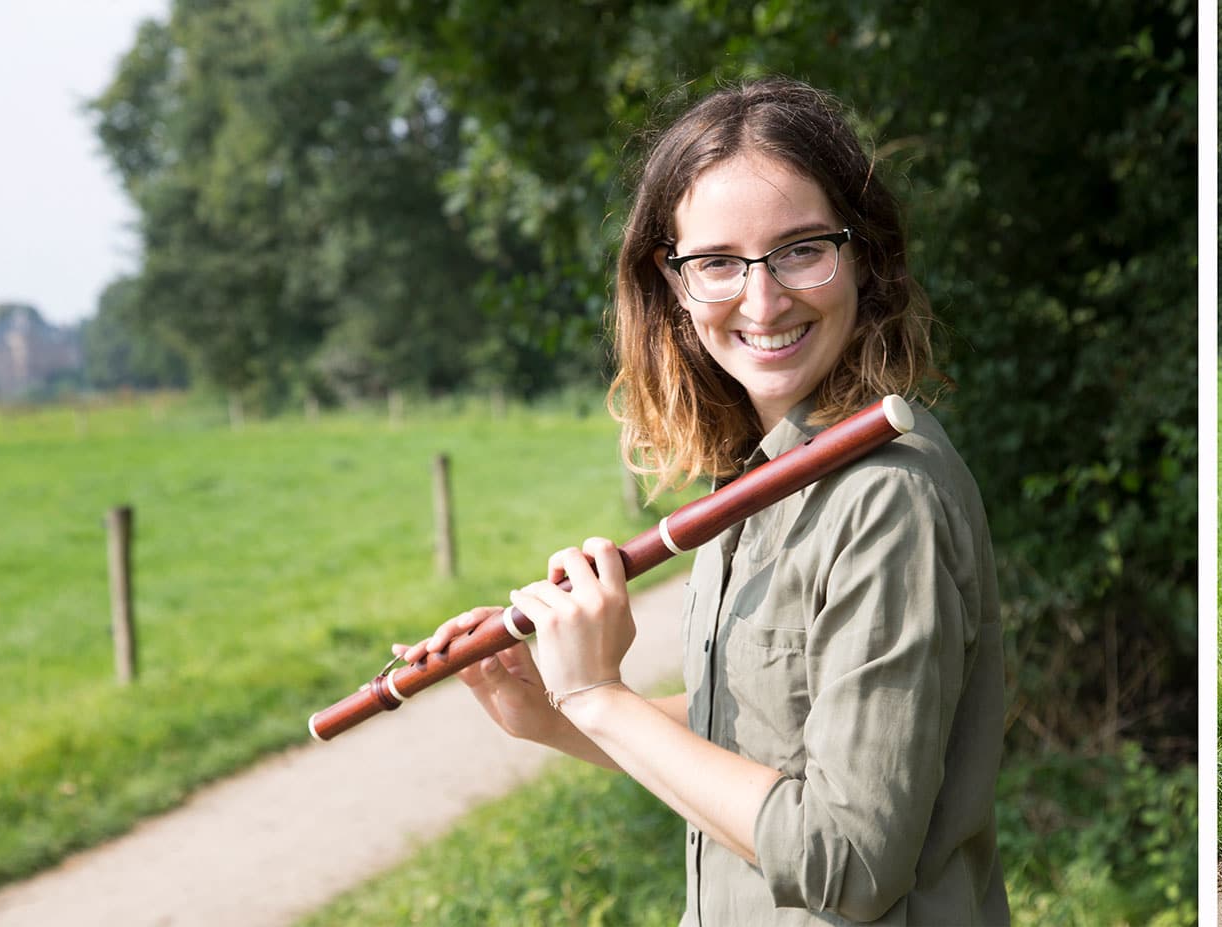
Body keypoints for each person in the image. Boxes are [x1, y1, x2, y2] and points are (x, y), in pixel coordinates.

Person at [394, 78, 1010, 924]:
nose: (762, 301)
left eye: (801, 249)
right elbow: (761, 732)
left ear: (861, 253)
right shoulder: (755, 477)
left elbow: (849, 862)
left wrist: (600, 698)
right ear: (675, 284)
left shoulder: (884, 497)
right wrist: (553, 709)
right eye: (718, 262)